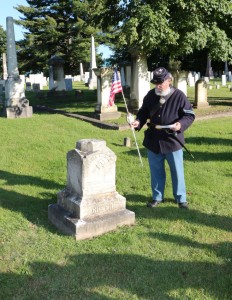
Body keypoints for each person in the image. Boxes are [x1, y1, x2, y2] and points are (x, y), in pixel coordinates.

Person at [131, 67, 195, 209]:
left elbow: (189, 115)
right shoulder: (150, 95)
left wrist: (180, 124)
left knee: (177, 171)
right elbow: (143, 113)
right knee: (156, 171)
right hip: (153, 139)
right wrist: (138, 122)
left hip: (172, 140)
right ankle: (157, 197)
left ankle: (180, 199)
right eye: (156, 83)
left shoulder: (179, 96)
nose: (158, 86)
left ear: (169, 81)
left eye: (161, 82)